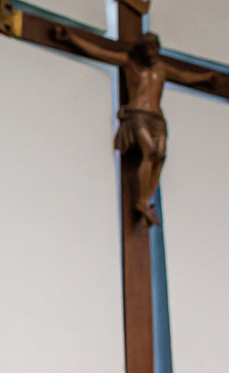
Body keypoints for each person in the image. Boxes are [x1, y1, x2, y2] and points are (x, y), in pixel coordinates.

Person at [51, 27, 213, 226]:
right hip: (138, 115)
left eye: (156, 48)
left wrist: (205, 78)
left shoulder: (162, 69)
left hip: (157, 119)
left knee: (161, 155)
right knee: (150, 150)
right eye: (149, 48)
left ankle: (146, 198)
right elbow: (99, 52)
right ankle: (142, 202)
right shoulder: (129, 63)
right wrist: (73, 39)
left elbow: (185, 76)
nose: (153, 52)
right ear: (142, 49)